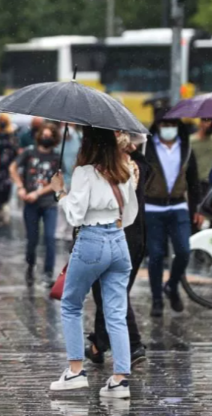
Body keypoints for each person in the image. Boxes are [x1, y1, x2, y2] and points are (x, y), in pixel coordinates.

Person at [48, 126, 139, 399]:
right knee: (116, 312)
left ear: (88, 144)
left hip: (92, 240)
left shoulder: (85, 172)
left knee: (71, 304)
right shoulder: (124, 171)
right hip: (119, 241)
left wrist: (59, 193)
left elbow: (75, 215)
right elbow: (131, 212)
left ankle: (75, 371)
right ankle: (120, 380)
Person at [85, 132, 149, 367]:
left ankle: (133, 345)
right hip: (135, 238)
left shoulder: (104, 170)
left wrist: (61, 192)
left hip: (110, 236)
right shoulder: (140, 165)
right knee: (113, 292)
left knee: (110, 292)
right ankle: (98, 344)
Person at [143, 112, 202, 317]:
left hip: (178, 206)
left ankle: (172, 285)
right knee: (156, 255)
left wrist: (198, 209)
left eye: (172, 124)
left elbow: (193, 181)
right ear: (157, 126)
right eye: (164, 124)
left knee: (184, 251)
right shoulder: (147, 147)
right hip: (152, 208)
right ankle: (157, 299)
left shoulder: (186, 148)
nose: (168, 128)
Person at [10, 122, 61, 285]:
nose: (46, 138)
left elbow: (57, 183)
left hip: (49, 203)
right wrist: (20, 187)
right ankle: (30, 265)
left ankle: (48, 272)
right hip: (30, 204)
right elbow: (13, 168)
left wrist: (37, 193)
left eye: (49, 136)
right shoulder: (29, 152)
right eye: (44, 135)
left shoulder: (56, 158)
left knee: (50, 238)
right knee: (32, 239)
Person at [0, 114, 18, 227]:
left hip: (7, 169)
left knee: (6, 191)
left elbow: (15, 152)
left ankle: (4, 214)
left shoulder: (12, 136)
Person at [55, 125, 82, 242]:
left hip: (76, 177)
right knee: (61, 204)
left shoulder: (80, 138)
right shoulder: (58, 140)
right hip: (63, 177)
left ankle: (69, 230)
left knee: (74, 204)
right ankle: (60, 230)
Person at [191, 118, 212, 184]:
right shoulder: (191, 141)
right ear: (200, 123)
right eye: (206, 122)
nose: (209, 125)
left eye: (211, 123)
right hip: (197, 181)